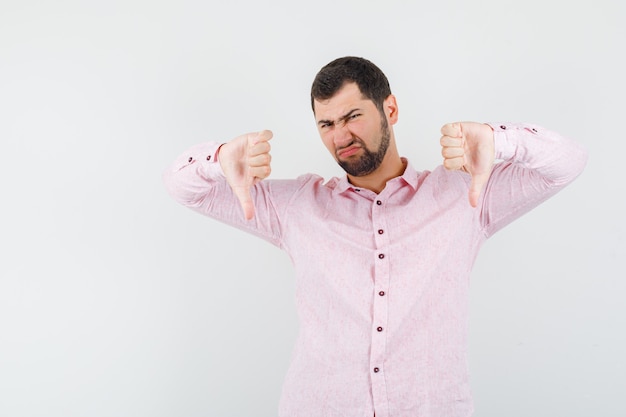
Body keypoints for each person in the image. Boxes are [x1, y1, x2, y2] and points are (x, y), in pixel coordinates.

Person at [163, 56, 587, 417]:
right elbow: (181, 188)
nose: (340, 136)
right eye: (326, 123)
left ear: (391, 109)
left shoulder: (465, 194)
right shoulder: (296, 207)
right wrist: (218, 160)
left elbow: (569, 161)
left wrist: (501, 140)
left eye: (352, 116)